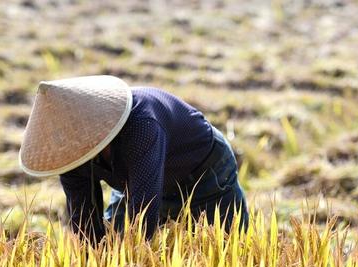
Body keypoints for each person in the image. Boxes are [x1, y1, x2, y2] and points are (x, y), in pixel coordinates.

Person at [19, 75, 248, 243]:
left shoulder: (141, 128)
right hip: (135, 178)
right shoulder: (69, 152)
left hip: (201, 171)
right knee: (114, 240)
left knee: (225, 248)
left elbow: (143, 217)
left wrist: (131, 263)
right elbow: (85, 220)